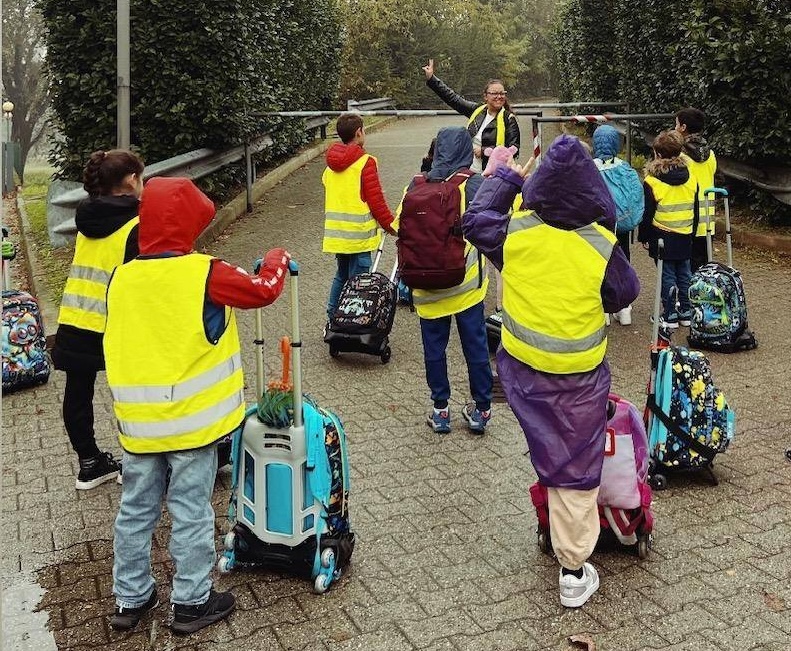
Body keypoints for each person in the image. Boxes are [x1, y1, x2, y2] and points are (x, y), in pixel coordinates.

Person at [103, 176, 291, 635]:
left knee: (135, 510)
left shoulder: (121, 277)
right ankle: (191, 601)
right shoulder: (205, 272)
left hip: (139, 425)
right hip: (191, 426)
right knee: (190, 509)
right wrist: (277, 259)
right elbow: (264, 289)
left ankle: (131, 597)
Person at [462, 135, 639, 608]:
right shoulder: (601, 246)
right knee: (576, 468)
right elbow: (624, 293)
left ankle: (553, 523)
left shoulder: (516, 233)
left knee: (549, 451)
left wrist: (506, 177)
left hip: (522, 372)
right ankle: (574, 571)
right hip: (579, 375)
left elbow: (474, 221)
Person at [51, 149, 144, 490]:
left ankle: (89, 463)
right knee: (137, 391)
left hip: (77, 316)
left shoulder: (87, 217)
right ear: (131, 180)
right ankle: (141, 461)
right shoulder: (135, 224)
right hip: (114, 322)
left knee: (78, 392)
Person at [397, 126, 492, 434]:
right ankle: (481, 409)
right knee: (475, 346)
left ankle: (441, 411)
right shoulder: (473, 184)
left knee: (434, 350)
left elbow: (399, 225)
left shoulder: (415, 185)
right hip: (465, 285)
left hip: (426, 286)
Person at [323, 112, 397, 322]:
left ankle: (333, 316)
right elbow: (376, 200)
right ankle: (354, 320)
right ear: (358, 132)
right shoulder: (366, 162)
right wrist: (391, 225)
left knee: (341, 275)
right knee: (360, 282)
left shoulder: (330, 165)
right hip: (359, 236)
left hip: (338, 235)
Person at [638, 130, 699, 329]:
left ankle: (670, 314)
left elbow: (648, 212)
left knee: (667, 275)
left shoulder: (652, 181)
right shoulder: (691, 177)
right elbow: (696, 207)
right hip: (685, 232)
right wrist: (692, 231)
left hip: (662, 234)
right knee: (685, 274)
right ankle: (687, 312)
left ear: (657, 154)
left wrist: (644, 236)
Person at [422, 58, 520, 173]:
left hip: (492, 172)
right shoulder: (477, 111)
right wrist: (432, 79)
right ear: (486, 96)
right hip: (466, 168)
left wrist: (484, 151)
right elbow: (453, 99)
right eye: (494, 93)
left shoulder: (509, 120)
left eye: (502, 93)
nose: (499, 97)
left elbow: (514, 151)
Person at [592, 124, 645, 326]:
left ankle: (603, 309)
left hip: (598, 226)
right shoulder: (625, 169)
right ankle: (624, 309)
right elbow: (636, 196)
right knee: (622, 261)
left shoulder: (589, 168)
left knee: (599, 263)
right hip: (622, 225)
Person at [675, 107, 717, 271]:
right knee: (704, 271)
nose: (675, 128)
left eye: (676, 124)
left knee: (686, 272)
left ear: (683, 127)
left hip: (687, 221)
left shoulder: (680, 157)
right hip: (707, 222)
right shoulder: (711, 154)